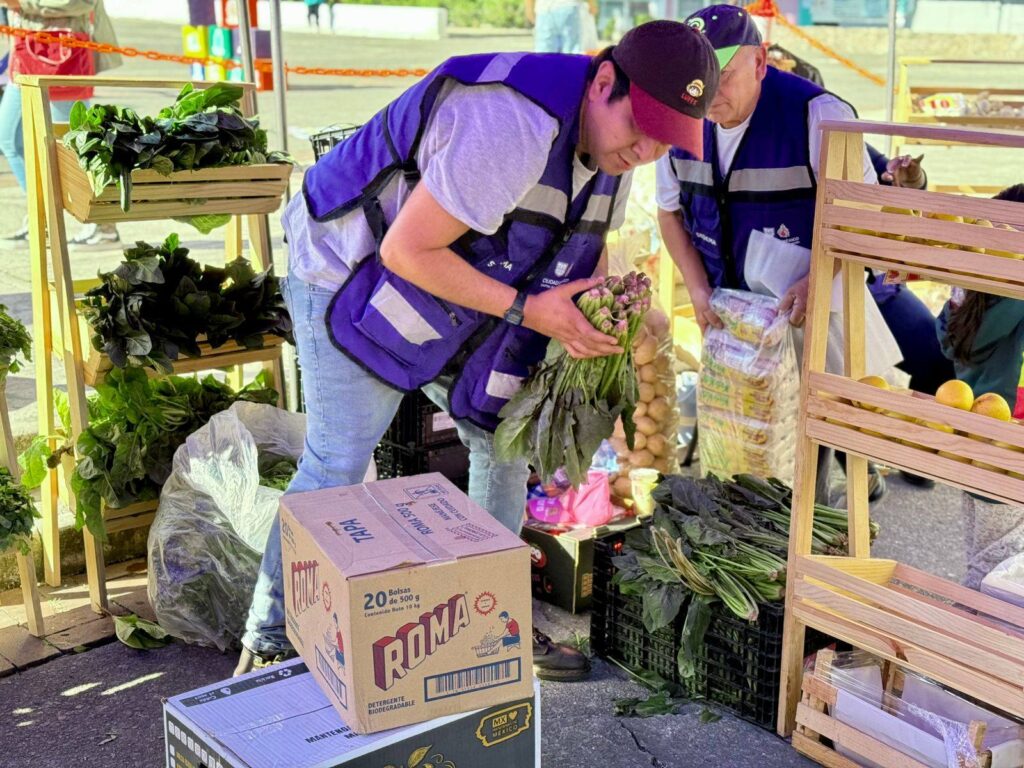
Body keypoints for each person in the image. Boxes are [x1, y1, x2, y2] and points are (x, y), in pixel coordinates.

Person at [234, 21, 721, 681]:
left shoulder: (617, 152)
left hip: (461, 282)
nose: (645, 150)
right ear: (603, 81)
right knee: (339, 459)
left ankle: (491, 620)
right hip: (349, 270)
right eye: (640, 126)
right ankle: (270, 639)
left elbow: (586, 242)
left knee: (502, 443)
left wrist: (593, 312)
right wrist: (529, 311)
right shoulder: (511, 125)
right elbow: (406, 251)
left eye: (665, 139)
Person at [656, 5, 902, 505]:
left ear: (760, 62)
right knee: (741, 442)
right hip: (732, 315)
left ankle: (815, 525)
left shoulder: (819, 115)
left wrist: (818, 280)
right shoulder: (680, 116)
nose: (708, 93)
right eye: (698, 81)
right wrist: (697, 288)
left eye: (723, 76)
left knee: (811, 439)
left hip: (809, 307)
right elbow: (669, 211)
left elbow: (866, 218)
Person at [935, 184, 1024, 589]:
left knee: (982, 556)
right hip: (1009, 446)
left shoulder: (970, 294)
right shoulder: (1015, 296)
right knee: (998, 570)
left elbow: (947, 340)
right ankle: (966, 622)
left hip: (974, 441)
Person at [0, 0, 121, 250]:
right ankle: (42, 219)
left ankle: (104, 225)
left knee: (77, 146)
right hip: (23, 53)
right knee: (11, 138)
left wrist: (22, 3)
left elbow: (82, 2)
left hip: (60, 54)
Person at [525, 0, 597, 54]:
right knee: (570, 53)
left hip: (545, 10)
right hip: (569, 7)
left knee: (545, 54)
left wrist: (529, 8)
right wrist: (592, 3)